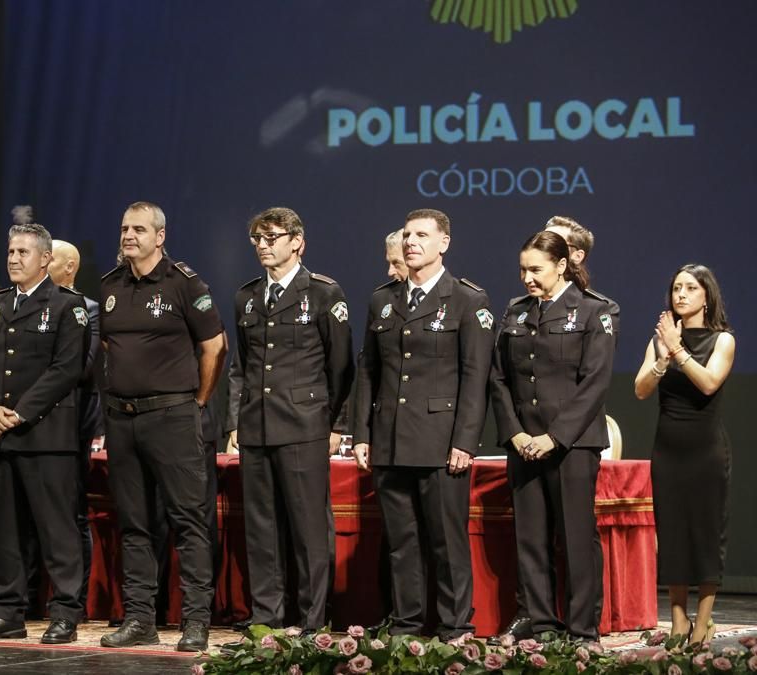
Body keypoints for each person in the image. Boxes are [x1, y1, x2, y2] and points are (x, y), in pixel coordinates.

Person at [352, 208, 493, 641]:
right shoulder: (383, 299)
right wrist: (362, 434)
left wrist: (465, 441)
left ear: (444, 243)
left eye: (422, 235)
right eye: (408, 235)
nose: (411, 242)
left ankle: (455, 627)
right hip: (390, 440)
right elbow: (368, 371)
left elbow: (475, 377)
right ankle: (407, 625)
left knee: (447, 543)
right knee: (401, 543)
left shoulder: (467, 300)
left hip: (440, 443)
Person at [98, 201, 226, 652]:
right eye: (124, 228)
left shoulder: (184, 284)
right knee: (134, 524)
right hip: (122, 419)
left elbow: (215, 346)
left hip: (172, 417)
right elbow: (110, 345)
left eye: (138, 229)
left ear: (160, 236)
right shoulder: (110, 285)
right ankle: (140, 619)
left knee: (188, 522)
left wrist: (197, 402)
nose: (128, 236)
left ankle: (196, 621)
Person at [223, 207, 353, 631]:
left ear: (297, 242)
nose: (263, 246)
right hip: (257, 426)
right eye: (257, 239)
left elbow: (340, 367)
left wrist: (336, 426)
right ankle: (267, 617)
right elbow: (242, 366)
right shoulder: (246, 296)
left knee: (309, 527)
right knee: (261, 527)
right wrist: (235, 422)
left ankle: (314, 619)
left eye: (272, 237)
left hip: (303, 424)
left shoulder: (323, 293)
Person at [493, 214, 620, 644]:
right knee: (530, 538)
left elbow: (595, 383)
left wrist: (554, 437)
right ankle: (541, 622)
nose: (526, 278)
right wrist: (515, 433)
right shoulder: (516, 311)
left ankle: (582, 629)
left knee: (576, 537)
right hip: (524, 444)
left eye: (536, 270)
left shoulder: (595, 311)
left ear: (562, 266)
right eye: (522, 270)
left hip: (572, 445)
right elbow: (499, 378)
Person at [0, 223, 88, 644]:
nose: (14, 258)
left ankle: (65, 613)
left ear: (45, 259)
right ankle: (7, 612)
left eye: (23, 252)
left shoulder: (67, 305)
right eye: (11, 251)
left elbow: (66, 369)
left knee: (56, 531)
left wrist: (19, 413)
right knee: (4, 531)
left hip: (45, 437)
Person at [634, 264, 734, 646]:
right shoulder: (660, 340)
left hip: (706, 451)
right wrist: (662, 359)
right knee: (672, 534)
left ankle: (704, 622)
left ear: (707, 296)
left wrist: (677, 350)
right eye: (677, 287)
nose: (681, 294)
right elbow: (641, 389)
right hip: (668, 450)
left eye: (690, 288)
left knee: (706, 535)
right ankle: (678, 620)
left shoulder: (722, 340)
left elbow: (708, 383)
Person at [47, 239, 101, 609]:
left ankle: (73, 600)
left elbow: (82, 366)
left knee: (72, 512)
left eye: (50, 259)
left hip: (71, 423)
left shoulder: (90, 310)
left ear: (69, 267)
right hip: (29, 423)